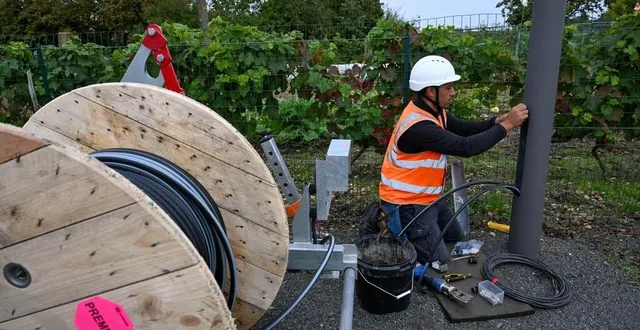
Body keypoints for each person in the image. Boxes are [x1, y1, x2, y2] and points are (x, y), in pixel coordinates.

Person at [378, 55, 529, 265]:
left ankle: (418, 233)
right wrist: (507, 126)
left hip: (429, 198)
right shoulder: (420, 127)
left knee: (455, 236)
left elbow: (463, 129)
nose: (453, 92)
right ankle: (397, 236)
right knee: (437, 260)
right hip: (407, 203)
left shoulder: (433, 112)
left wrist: (496, 121)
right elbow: (465, 147)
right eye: (448, 87)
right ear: (431, 91)